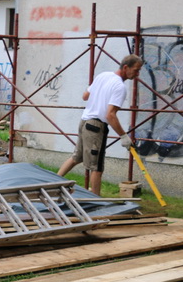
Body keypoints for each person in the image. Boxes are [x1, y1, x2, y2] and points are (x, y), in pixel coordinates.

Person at [57, 54, 144, 195]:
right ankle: (96, 200)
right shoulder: (120, 87)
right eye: (136, 70)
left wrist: (99, 95)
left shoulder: (103, 75)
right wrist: (124, 136)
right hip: (96, 127)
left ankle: (53, 183)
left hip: (84, 122)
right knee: (96, 167)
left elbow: (85, 96)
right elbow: (110, 114)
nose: (137, 74)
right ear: (126, 67)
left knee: (76, 157)